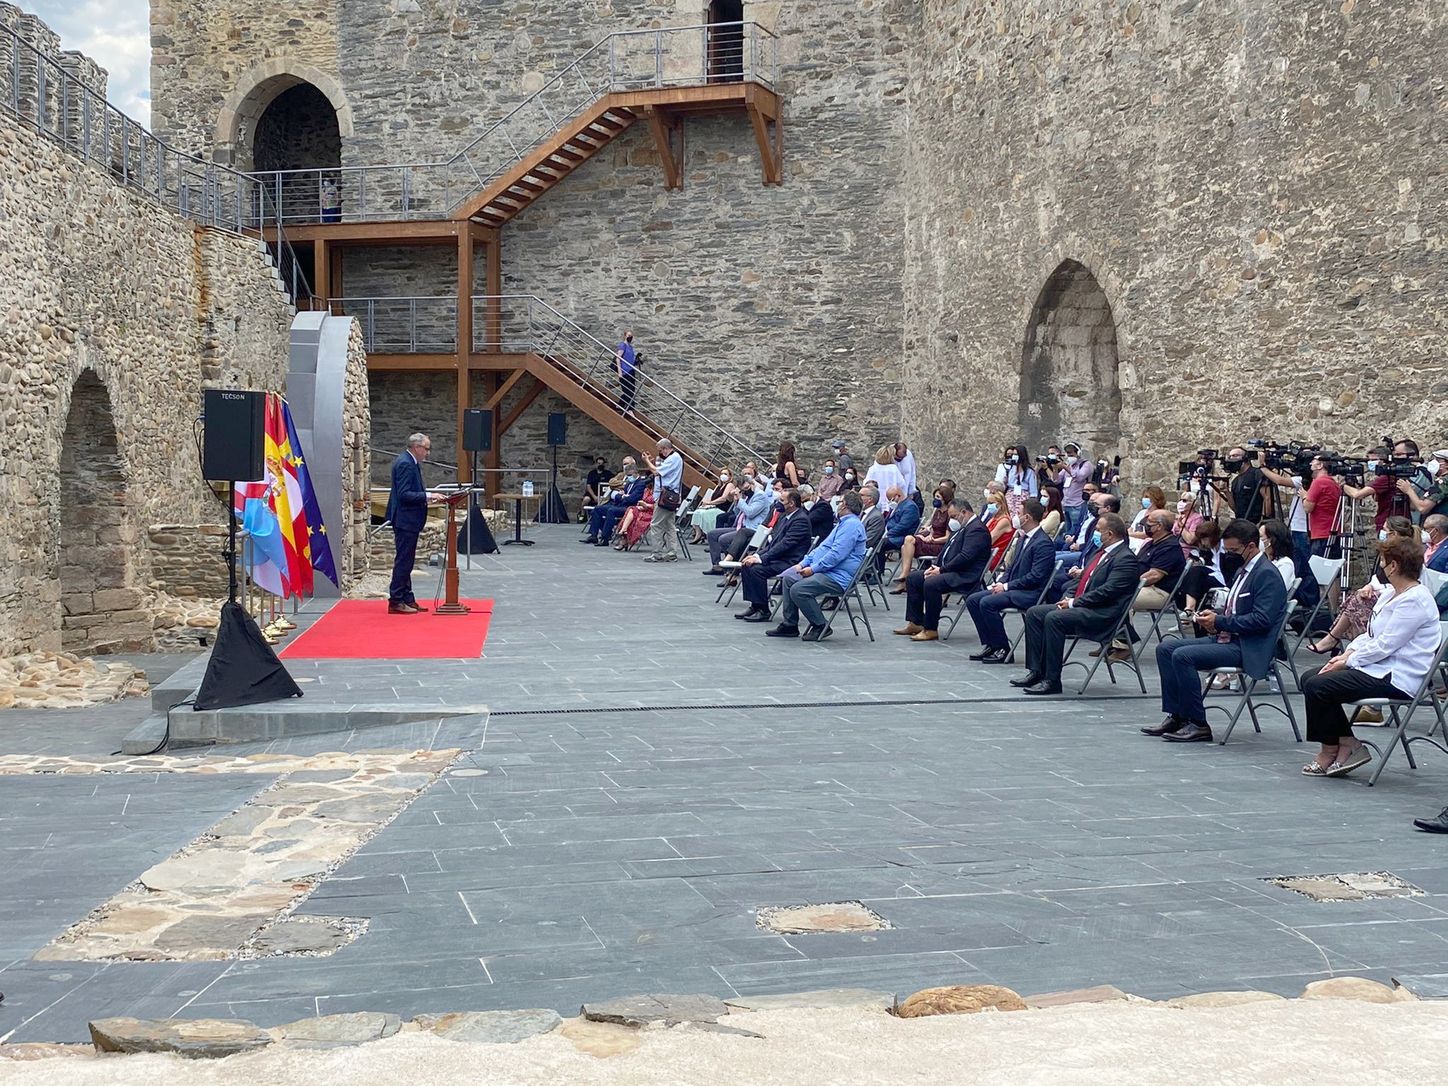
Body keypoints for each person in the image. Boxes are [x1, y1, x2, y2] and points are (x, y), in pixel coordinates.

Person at [1299, 535, 1441, 777]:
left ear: (1394, 566)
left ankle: (1330, 749)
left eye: (1384, 563)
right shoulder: (1389, 594)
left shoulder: (1415, 600)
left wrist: (1348, 661)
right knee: (1310, 678)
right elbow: (1371, 635)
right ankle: (1346, 743)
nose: (1381, 568)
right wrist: (1347, 654)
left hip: (1397, 676)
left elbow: (1385, 645)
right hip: (1376, 667)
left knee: (1319, 686)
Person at [1140, 519, 1289, 743]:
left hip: (1248, 646)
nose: (1230, 555)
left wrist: (1220, 622)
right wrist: (1212, 616)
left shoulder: (1266, 573)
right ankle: (1178, 715)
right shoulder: (1244, 569)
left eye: (1234, 550)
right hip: (1227, 638)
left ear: (1250, 546)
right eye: (1227, 550)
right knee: (1165, 648)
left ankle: (1197, 723)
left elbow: (1262, 620)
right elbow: (1236, 608)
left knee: (1183, 656)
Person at [1014, 512, 1140, 695]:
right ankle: (1036, 671)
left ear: (1110, 534)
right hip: (1085, 605)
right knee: (1034, 613)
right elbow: (1081, 581)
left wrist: (1074, 603)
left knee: (1054, 618)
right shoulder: (1100, 553)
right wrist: (1067, 598)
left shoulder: (1125, 559)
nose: (1095, 534)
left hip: (1103, 613)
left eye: (1098, 530)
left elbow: (1107, 592)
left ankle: (1052, 679)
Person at [766, 490, 867, 642]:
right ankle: (790, 624)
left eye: (839, 502)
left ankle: (820, 624)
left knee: (799, 589)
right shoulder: (843, 524)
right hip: (828, 571)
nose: (837, 505)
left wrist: (813, 569)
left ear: (845, 505)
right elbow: (822, 548)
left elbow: (836, 555)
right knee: (789, 579)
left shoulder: (851, 525)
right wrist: (802, 564)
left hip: (838, 576)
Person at [964, 498, 1056, 661]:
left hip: (1030, 592)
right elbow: (1012, 567)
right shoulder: (1023, 538)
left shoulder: (1043, 543)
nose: (1015, 516)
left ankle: (1003, 648)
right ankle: (991, 644)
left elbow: (1036, 577)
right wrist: (1001, 582)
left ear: (1027, 518)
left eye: (1018, 513)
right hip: (1015, 588)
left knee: (987, 603)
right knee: (973, 599)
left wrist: (1006, 587)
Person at [1309, 516, 1417, 653]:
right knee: (1357, 598)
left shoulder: (1405, 556)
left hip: (1393, 600)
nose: (1381, 533)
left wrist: (1374, 590)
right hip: (1383, 594)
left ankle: (1335, 639)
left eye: (1384, 530)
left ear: (1393, 534)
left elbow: (1398, 584)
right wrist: (1369, 586)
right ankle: (1340, 642)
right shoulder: (1388, 553)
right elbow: (1378, 578)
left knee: (1359, 602)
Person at [891, 498, 990, 642]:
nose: (952, 520)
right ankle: (916, 622)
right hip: (949, 570)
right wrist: (935, 567)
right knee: (914, 578)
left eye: (954, 516)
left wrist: (941, 570)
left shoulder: (977, 529)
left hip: (965, 575)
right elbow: (946, 550)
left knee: (932, 583)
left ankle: (931, 628)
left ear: (964, 512)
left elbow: (965, 557)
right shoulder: (961, 527)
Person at [1107, 508, 1188, 661]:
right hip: (1142, 586)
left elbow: (1154, 575)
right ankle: (1109, 640)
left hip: (1159, 591)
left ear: (1159, 526)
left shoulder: (1170, 546)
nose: (1145, 525)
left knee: (1121, 599)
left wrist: (1128, 583)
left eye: (1149, 523)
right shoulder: (1150, 544)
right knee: (1108, 594)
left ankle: (1123, 645)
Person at [736, 487, 813, 622]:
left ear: (792, 503)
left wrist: (760, 559)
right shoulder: (784, 517)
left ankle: (763, 609)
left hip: (790, 561)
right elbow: (774, 543)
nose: (778, 503)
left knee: (757, 570)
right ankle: (755, 605)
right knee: (747, 565)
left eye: (782, 500)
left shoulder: (800, 520)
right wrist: (756, 555)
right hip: (779, 557)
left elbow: (785, 545)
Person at [385, 433, 439, 614]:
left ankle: (407, 597)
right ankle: (396, 600)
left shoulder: (410, 462)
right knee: (403, 561)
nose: (427, 453)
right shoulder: (405, 464)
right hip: (405, 519)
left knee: (407, 560)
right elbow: (404, 494)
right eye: (426, 449)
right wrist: (428, 496)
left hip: (409, 519)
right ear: (416, 447)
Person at [891, 484, 954, 592]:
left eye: (938, 497)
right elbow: (933, 530)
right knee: (906, 543)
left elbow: (948, 537)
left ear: (945, 499)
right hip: (931, 540)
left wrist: (933, 540)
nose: (935, 500)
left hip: (939, 544)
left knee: (907, 543)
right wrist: (927, 536)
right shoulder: (937, 512)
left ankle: (905, 577)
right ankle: (905, 577)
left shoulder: (949, 514)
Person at [703, 475, 769, 573]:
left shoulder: (760, 496)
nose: (746, 491)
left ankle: (730, 567)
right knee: (712, 534)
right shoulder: (746, 496)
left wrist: (741, 500)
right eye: (743, 490)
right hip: (740, 525)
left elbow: (750, 513)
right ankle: (717, 566)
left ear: (752, 484)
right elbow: (738, 513)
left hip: (751, 528)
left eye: (747, 488)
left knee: (724, 539)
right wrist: (736, 500)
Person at [582, 458, 646, 545]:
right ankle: (593, 535)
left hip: (630, 508)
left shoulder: (640, 484)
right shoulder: (628, 482)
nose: (629, 477)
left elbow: (632, 499)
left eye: (630, 475)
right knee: (597, 509)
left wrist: (622, 496)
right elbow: (618, 494)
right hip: (619, 504)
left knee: (611, 511)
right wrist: (622, 496)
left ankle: (605, 538)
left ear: (635, 473)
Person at [640, 438, 684, 562]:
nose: (661, 453)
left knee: (656, 524)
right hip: (669, 495)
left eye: (661, 450)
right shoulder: (674, 458)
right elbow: (662, 469)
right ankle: (671, 552)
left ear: (666, 448)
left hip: (665, 496)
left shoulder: (674, 458)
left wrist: (647, 461)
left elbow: (656, 472)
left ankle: (657, 553)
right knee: (669, 525)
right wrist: (653, 461)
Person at [1224, 447, 1271, 522]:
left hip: (1256, 522)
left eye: (1235, 455)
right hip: (1241, 523)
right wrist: (1227, 493)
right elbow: (1235, 508)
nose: (1232, 459)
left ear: (1245, 458)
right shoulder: (1235, 481)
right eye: (1230, 456)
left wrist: (1264, 520)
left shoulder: (1256, 474)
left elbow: (1267, 498)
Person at [1400, 449, 1448, 521]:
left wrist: (1409, 490)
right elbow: (1414, 506)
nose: (1433, 462)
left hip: (1439, 526)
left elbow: (1423, 508)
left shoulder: (1443, 482)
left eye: (1438, 460)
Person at [691, 468, 738, 540]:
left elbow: (723, 498)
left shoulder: (730, 485)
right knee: (697, 512)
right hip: (714, 506)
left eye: (725, 474)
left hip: (722, 508)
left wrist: (710, 503)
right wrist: (707, 504)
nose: (723, 475)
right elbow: (712, 497)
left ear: (730, 477)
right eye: (722, 474)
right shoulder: (718, 486)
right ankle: (698, 533)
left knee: (704, 514)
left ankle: (708, 533)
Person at [997, 445, 1038, 521]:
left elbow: (1033, 490)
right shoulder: (1012, 469)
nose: (1014, 457)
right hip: (1011, 494)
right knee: (1008, 515)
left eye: (1016, 455)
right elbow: (1009, 484)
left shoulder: (1029, 472)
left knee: (1019, 516)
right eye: (1013, 455)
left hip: (1023, 495)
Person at [1059, 442, 1093, 536]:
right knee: (1067, 533)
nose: (1070, 457)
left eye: (1072, 455)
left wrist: (1065, 467)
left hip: (1078, 503)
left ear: (1078, 453)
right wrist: (1054, 468)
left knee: (1076, 532)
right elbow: (1056, 480)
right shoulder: (1069, 466)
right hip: (1066, 504)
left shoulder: (1086, 465)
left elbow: (1080, 477)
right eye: (1068, 455)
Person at [614, 484, 655, 549]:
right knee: (631, 509)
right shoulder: (646, 490)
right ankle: (624, 531)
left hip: (652, 513)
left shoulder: (659, 491)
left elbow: (658, 507)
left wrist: (646, 505)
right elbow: (642, 501)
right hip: (642, 510)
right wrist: (641, 505)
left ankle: (623, 533)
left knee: (632, 514)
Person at [882, 485, 922, 551]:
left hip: (900, 537)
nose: (890, 502)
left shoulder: (910, 507)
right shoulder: (896, 505)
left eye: (891, 499)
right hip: (892, 534)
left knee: (880, 544)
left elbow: (903, 526)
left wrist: (887, 534)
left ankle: (879, 561)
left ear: (898, 496)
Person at [1260, 518, 1297, 588]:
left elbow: (1277, 589)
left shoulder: (1285, 563)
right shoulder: (1264, 561)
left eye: (1261, 536)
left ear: (1272, 540)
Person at [614, 331, 638, 415]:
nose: (630, 337)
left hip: (631, 371)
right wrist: (619, 372)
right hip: (625, 371)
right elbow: (618, 358)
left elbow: (630, 360)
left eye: (631, 336)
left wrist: (637, 361)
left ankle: (620, 405)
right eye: (629, 335)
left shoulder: (630, 347)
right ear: (625, 336)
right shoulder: (623, 345)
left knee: (631, 390)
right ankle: (629, 409)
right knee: (628, 390)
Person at [582, 456, 611, 521]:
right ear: (595, 464)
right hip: (593, 493)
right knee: (586, 499)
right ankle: (582, 514)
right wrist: (594, 496)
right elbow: (588, 486)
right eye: (598, 463)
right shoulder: (591, 473)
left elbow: (612, 483)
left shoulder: (608, 474)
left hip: (604, 494)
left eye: (602, 464)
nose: (600, 465)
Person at [858, 484, 886, 550]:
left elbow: (868, 541)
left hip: (862, 553)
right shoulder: (860, 513)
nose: (857, 497)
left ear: (870, 499)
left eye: (861, 495)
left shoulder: (876, 517)